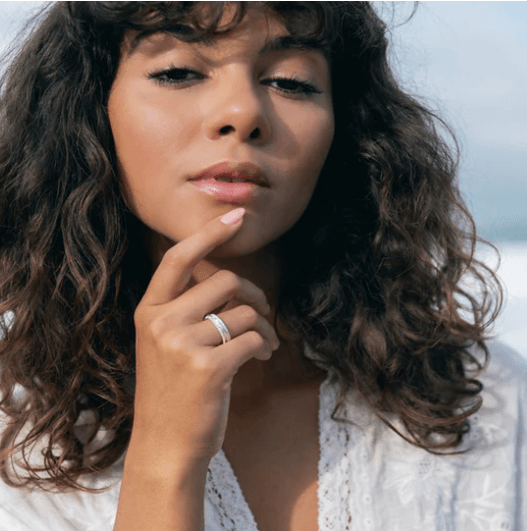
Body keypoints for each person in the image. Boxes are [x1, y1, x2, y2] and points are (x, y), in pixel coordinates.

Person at [0, 1, 525, 530]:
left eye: (291, 82)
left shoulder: (482, 399)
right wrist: (163, 462)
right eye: (178, 72)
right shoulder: (13, 438)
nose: (243, 112)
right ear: (89, 108)